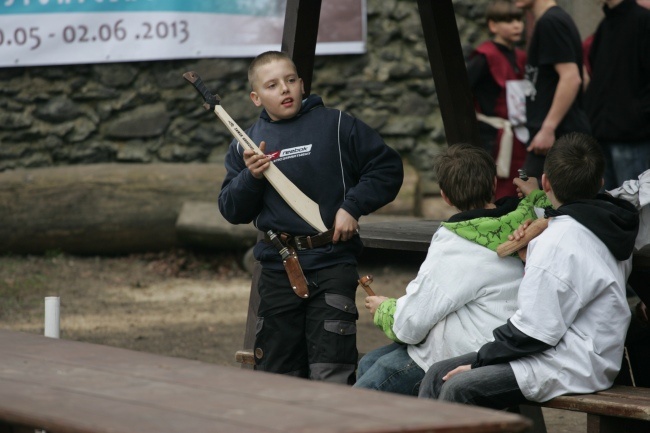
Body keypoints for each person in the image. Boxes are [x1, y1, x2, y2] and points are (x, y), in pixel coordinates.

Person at [218, 51, 403, 384]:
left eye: (290, 80)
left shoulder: (337, 125)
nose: (285, 90)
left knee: (330, 369)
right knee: (278, 373)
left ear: (302, 84)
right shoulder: (244, 146)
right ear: (256, 97)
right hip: (278, 269)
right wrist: (251, 177)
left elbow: (387, 168)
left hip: (332, 262)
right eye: (272, 85)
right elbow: (232, 210)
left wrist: (352, 206)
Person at [418, 132, 639, 409]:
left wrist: (481, 361)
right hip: (579, 351)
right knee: (437, 373)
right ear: (601, 183)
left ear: (545, 182)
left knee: (456, 386)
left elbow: (533, 333)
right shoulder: (606, 222)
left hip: (569, 362)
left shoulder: (559, 240)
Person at [353, 143, 550, 396]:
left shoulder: (457, 243)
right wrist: (534, 194)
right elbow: (545, 204)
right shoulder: (530, 217)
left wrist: (384, 310)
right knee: (369, 361)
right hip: (505, 339)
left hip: (468, 353)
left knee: (367, 389)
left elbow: (413, 322)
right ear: (493, 183)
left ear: (444, 196)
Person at [515, 0, 590, 179]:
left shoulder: (551, 22)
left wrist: (548, 128)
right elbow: (584, 75)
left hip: (555, 139)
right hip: (556, 135)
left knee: (532, 197)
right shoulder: (553, 20)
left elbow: (572, 78)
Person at [584, 0, 650, 190]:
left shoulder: (643, 21)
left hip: (634, 138)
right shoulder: (605, 26)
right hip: (601, 136)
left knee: (634, 209)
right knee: (607, 208)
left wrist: (638, 116)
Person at [467, 0, 528, 199]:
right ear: (493, 25)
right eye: (509, 21)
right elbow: (463, 91)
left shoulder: (520, 57)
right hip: (492, 137)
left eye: (519, 19)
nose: (517, 25)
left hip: (519, 134)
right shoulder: (484, 57)